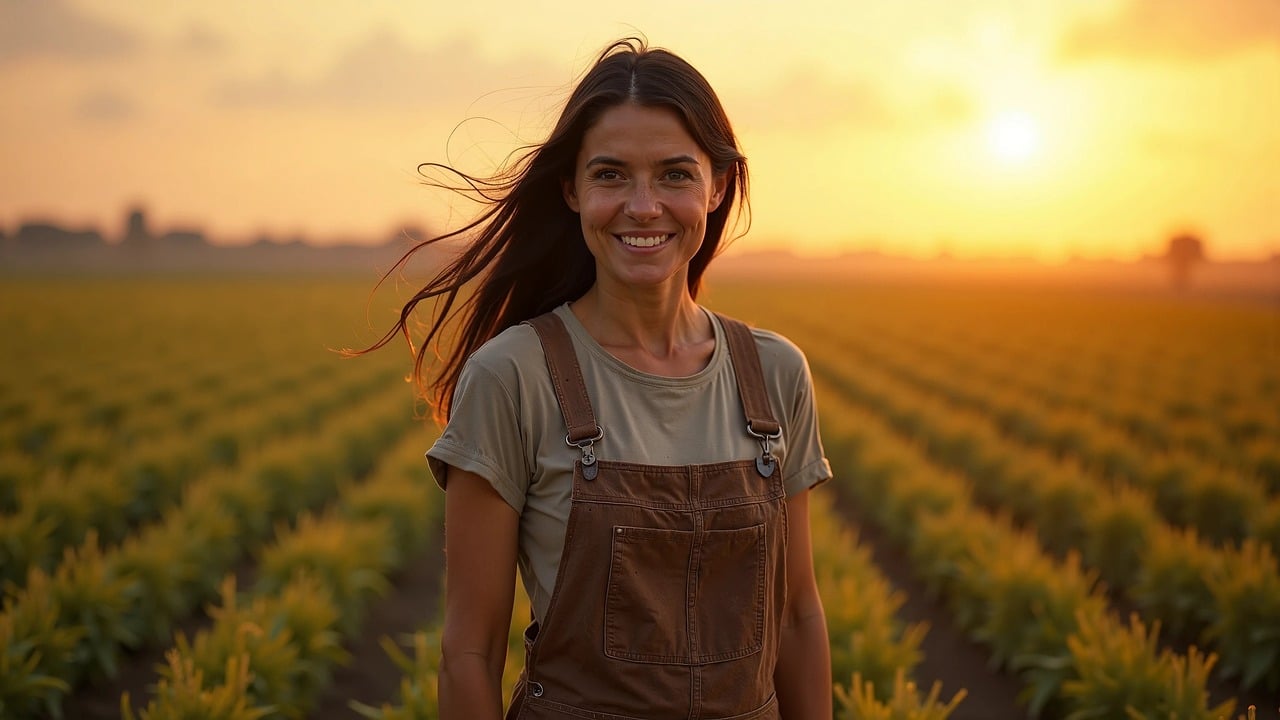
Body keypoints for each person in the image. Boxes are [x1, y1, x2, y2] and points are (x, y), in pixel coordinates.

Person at [367, 37, 832, 719]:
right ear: (572, 189)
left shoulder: (774, 373)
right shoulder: (513, 377)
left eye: (675, 174)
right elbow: (469, 651)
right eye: (611, 175)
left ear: (718, 184)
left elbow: (796, 619)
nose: (643, 206)